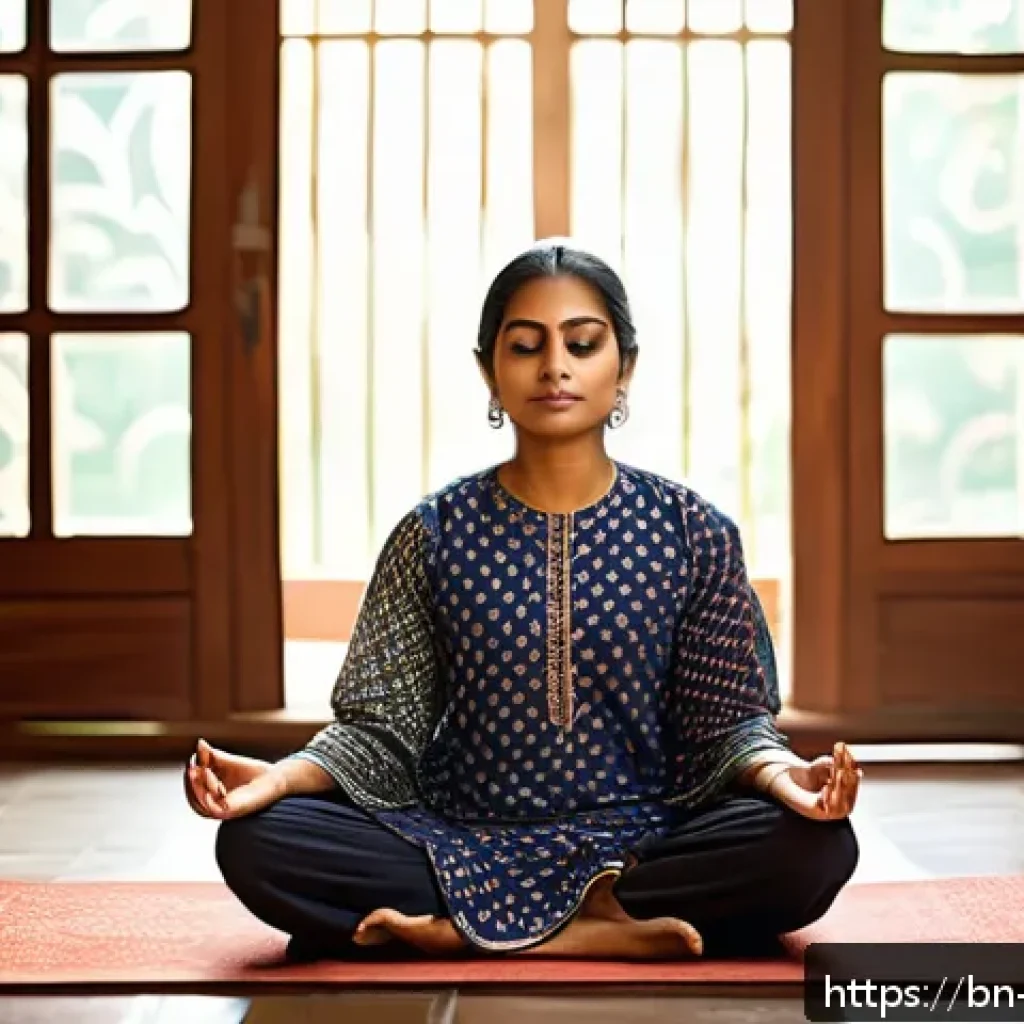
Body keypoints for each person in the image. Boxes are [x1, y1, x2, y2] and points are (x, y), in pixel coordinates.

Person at [185, 240, 861, 961]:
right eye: (525, 346)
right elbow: (379, 732)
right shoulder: (434, 533)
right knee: (260, 841)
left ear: (624, 367)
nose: (555, 367)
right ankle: (597, 932)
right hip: (458, 836)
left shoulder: (692, 532)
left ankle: (459, 933)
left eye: (582, 343)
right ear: (489, 371)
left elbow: (726, 723)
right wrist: (280, 778)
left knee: (812, 846)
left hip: (646, 836)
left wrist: (789, 782)